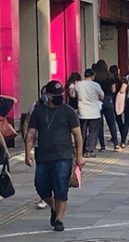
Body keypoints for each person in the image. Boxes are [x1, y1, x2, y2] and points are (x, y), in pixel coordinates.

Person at [25, 80, 84, 232]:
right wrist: (28, 153)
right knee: (41, 188)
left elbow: (77, 135)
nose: (59, 97)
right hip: (43, 157)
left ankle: (59, 220)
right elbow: (31, 134)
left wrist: (79, 156)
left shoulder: (68, 111)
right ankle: (54, 208)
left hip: (63, 156)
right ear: (47, 96)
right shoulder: (38, 111)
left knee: (61, 187)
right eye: (55, 95)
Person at [23, 86, 48, 209]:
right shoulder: (36, 106)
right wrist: (27, 139)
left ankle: (56, 194)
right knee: (42, 172)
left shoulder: (61, 108)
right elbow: (27, 121)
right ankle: (44, 197)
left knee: (56, 172)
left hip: (58, 146)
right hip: (39, 144)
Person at [75, 69, 104, 158]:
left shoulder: (78, 85)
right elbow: (102, 96)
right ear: (92, 76)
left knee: (82, 132)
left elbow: (74, 95)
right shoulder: (96, 85)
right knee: (93, 132)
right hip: (94, 112)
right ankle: (90, 150)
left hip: (83, 111)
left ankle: (81, 149)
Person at [94, 60, 120, 152]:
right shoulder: (110, 76)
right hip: (108, 99)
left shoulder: (95, 77)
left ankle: (102, 146)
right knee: (112, 122)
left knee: (99, 123)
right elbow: (113, 90)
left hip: (98, 101)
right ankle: (116, 144)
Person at [109, 65, 124, 140]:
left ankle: (114, 136)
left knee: (112, 120)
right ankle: (122, 135)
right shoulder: (120, 80)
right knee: (119, 119)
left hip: (112, 99)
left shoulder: (110, 79)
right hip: (118, 100)